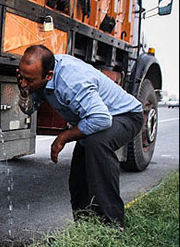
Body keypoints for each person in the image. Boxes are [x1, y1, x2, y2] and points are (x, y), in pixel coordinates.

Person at [16, 45, 143, 230]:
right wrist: (23, 91)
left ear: (48, 76)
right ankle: (84, 228)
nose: (25, 82)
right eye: (22, 77)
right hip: (96, 119)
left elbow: (101, 119)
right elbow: (28, 109)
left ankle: (113, 225)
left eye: (29, 80)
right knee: (78, 176)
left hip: (126, 115)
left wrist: (64, 137)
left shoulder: (71, 82)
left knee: (97, 143)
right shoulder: (39, 77)